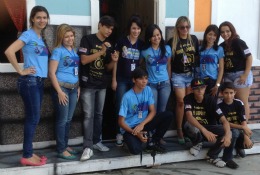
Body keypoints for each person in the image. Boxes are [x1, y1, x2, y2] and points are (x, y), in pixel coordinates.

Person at [4, 6, 49, 166]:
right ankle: (27, 155)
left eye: (44, 17)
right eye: (38, 17)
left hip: (37, 82)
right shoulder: (28, 34)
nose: (42, 20)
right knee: (33, 118)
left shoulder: (39, 37)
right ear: (32, 19)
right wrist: (20, 71)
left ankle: (29, 152)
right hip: (30, 81)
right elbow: (9, 51)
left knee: (33, 118)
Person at [78, 15, 118, 161]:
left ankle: (96, 141)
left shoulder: (109, 45)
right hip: (88, 84)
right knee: (88, 115)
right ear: (100, 25)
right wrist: (101, 52)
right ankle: (87, 147)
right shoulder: (87, 40)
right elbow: (83, 60)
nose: (109, 31)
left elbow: (107, 67)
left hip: (102, 84)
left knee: (99, 115)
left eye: (111, 29)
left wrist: (113, 61)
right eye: (107, 27)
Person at [118, 67, 172, 155]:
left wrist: (142, 124)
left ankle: (153, 142)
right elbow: (121, 122)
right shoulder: (127, 96)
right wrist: (136, 133)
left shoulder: (148, 90)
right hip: (131, 129)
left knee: (168, 115)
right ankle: (130, 141)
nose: (144, 81)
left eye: (146, 78)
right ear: (134, 80)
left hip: (143, 124)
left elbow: (153, 111)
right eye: (141, 78)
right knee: (136, 150)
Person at [183, 78, 231, 168]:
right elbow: (189, 116)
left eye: (202, 88)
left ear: (205, 88)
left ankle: (212, 156)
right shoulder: (188, 98)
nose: (199, 90)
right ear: (192, 89)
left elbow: (224, 120)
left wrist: (228, 135)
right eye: (196, 88)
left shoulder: (211, 100)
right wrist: (204, 130)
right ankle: (197, 143)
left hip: (208, 128)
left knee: (226, 131)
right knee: (190, 125)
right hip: (195, 129)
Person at [49, 24, 80, 160]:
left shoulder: (74, 51)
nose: (69, 38)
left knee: (68, 119)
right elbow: (51, 73)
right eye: (66, 36)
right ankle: (61, 149)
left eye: (71, 36)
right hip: (62, 88)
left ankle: (65, 145)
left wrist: (78, 87)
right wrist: (59, 92)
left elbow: (75, 70)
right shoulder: (58, 51)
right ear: (61, 38)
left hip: (74, 88)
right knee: (62, 120)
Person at [167, 16, 199, 144]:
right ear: (177, 28)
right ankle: (179, 129)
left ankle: (187, 129)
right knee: (180, 102)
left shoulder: (194, 39)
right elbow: (169, 63)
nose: (185, 29)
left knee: (188, 103)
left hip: (190, 75)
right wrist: (170, 79)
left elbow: (197, 57)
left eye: (187, 26)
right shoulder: (172, 42)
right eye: (182, 27)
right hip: (178, 75)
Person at [113, 15, 144, 146]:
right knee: (121, 106)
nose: (135, 31)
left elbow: (142, 63)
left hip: (134, 81)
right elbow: (115, 61)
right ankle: (119, 133)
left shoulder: (141, 44)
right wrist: (113, 79)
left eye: (138, 28)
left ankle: (131, 132)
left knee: (134, 107)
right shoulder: (121, 42)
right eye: (133, 28)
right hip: (121, 79)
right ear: (129, 29)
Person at [219, 21, 253, 122]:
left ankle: (245, 131)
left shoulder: (238, 42)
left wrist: (245, 74)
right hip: (228, 75)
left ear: (232, 31)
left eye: (227, 31)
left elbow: (249, 58)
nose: (225, 34)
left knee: (242, 102)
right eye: (222, 32)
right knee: (232, 102)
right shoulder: (221, 46)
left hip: (240, 74)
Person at [218, 82, 254, 167]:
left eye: (231, 93)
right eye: (226, 93)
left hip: (239, 128)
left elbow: (243, 120)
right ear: (222, 93)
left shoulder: (239, 103)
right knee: (234, 133)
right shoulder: (219, 105)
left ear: (235, 93)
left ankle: (238, 146)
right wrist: (242, 127)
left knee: (249, 141)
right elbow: (225, 122)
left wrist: (246, 136)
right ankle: (227, 158)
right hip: (226, 129)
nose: (229, 96)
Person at [140, 24, 171, 113]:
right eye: (153, 36)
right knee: (152, 110)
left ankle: (160, 127)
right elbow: (139, 65)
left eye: (158, 35)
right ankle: (152, 127)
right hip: (151, 84)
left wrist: (168, 80)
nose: (156, 37)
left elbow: (169, 65)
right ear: (149, 38)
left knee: (162, 110)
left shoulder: (167, 48)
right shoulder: (144, 51)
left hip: (165, 84)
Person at [198, 24, 224, 97]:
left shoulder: (219, 49)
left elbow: (221, 69)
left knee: (212, 105)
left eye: (214, 35)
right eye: (210, 34)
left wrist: (217, 85)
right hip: (202, 81)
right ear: (206, 34)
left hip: (213, 81)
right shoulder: (200, 49)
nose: (212, 37)